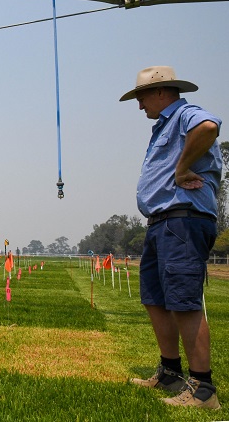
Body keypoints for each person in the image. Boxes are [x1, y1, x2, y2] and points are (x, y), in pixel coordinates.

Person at [122, 66, 222, 410]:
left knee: (182, 300)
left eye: (141, 97)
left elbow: (209, 127)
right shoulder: (164, 124)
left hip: (182, 219)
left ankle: (203, 389)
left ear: (162, 92)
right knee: (155, 298)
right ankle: (170, 372)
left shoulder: (185, 114)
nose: (139, 106)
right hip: (162, 221)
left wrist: (181, 168)